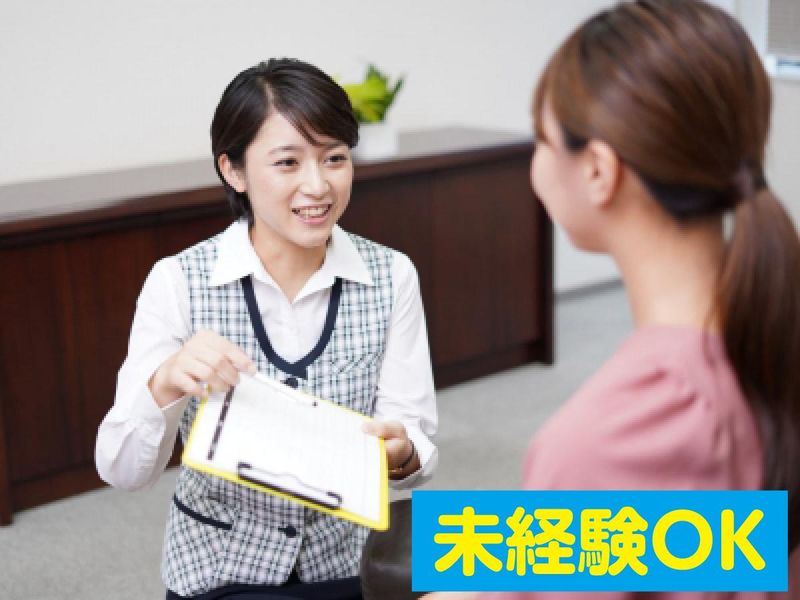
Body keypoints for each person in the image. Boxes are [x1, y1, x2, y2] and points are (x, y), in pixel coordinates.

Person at [428, 1, 800, 598]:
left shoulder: (608, 439)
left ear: (599, 171)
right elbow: (725, 541)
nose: (536, 162)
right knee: (446, 546)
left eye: (543, 139)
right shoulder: (766, 345)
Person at [95, 58, 438, 600]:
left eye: (335, 158)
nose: (317, 185)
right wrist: (163, 383)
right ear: (233, 170)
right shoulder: (178, 281)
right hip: (222, 573)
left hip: (351, 564)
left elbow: (415, 440)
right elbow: (122, 470)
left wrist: (403, 453)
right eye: (287, 162)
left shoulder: (392, 274)